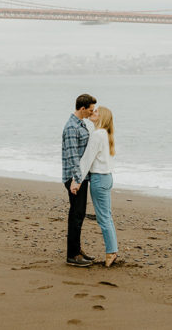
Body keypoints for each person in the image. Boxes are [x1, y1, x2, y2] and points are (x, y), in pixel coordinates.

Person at [70, 106, 119, 267]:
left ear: (102, 117)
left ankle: (111, 252)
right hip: (107, 177)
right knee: (107, 216)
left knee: (104, 217)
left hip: (99, 179)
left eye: (96, 112)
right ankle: (112, 250)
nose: (93, 113)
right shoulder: (105, 134)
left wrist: (76, 181)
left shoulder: (98, 135)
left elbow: (86, 160)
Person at [62, 93, 97, 267]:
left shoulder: (80, 124)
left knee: (79, 214)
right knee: (76, 215)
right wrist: (77, 179)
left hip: (80, 176)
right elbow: (72, 156)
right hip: (74, 177)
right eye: (90, 110)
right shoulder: (71, 128)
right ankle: (72, 255)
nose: (92, 113)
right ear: (82, 109)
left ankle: (77, 250)